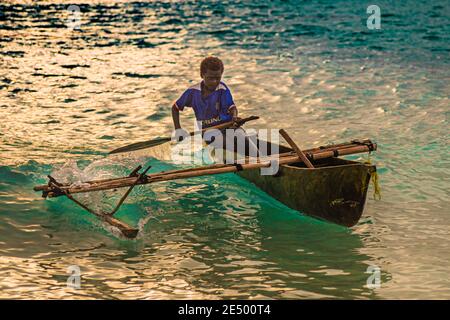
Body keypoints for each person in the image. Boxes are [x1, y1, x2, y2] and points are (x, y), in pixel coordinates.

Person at [171, 57, 259, 161]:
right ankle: (245, 161)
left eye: (218, 78)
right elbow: (175, 108)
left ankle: (259, 160)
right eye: (210, 78)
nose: (214, 82)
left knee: (243, 139)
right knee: (229, 145)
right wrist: (178, 129)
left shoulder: (222, 89)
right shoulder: (193, 92)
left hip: (229, 126)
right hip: (209, 132)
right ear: (202, 75)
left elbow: (232, 108)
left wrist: (234, 118)